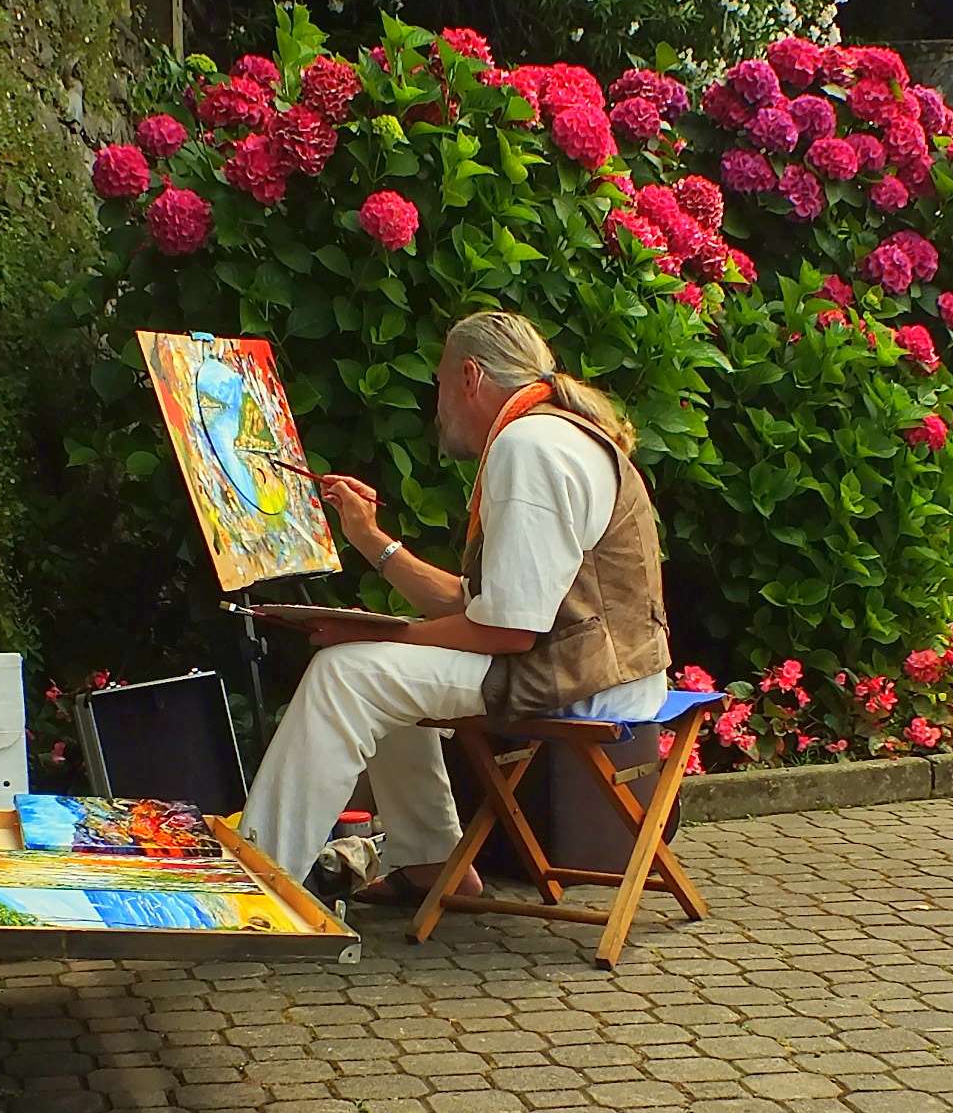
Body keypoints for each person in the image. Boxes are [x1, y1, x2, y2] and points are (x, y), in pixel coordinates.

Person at [238, 310, 671, 900]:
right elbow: (483, 603)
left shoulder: (527, 447)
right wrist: (369, 538)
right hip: (595, 665)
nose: (436, 404)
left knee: (346, 674)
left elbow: (511, 630)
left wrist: (388, 637)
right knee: (377, 672)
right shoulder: (546, 433)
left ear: (470, 376)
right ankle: (432, 865)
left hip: (581, 678)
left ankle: (260, 882)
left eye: (439, 384)